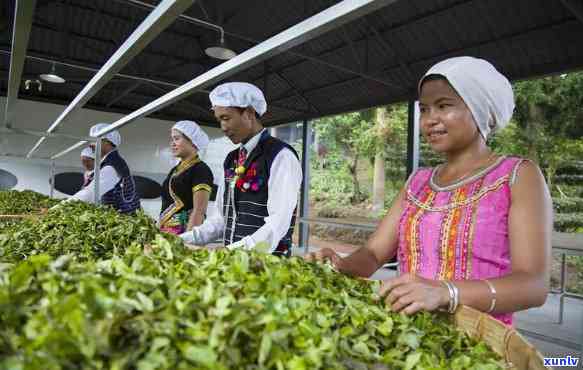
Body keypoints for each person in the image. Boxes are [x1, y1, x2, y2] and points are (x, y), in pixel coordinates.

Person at [306, 56, 552, 325]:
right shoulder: (419, 182)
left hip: (480, 342)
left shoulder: (517, 175)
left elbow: (533, 285)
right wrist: (341, 265)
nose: (429, 120)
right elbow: (374, 254)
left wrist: (446, 291)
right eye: (424, 109)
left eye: (443, 106)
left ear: (482, 110)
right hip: (410, 331)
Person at [180, 82, 303, 257]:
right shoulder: (232, 160)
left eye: (226, 118)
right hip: (234, 263)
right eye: (219, 120)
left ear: (249, 113)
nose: (222, 128)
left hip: (267, 267)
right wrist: (183, 239)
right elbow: (221, 219)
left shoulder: (280, 156)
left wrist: (233, 252)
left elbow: (278, 222)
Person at [67, 123, 141, 214]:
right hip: (119, 217)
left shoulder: (112, 165)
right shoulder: (110, 161)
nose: (90, 145)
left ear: (107, 142)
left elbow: (89, 194)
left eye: (94, 140)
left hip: (126, 219)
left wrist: (57, 209)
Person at [159, 120, 214, 235]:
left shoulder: (201, 170)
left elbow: (199, 211)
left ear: (193, 141)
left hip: (185, 233)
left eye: (177, 138)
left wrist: (187, 243)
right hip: (166, 232)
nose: (172, 143)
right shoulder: (175, 170)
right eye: (172, 139)